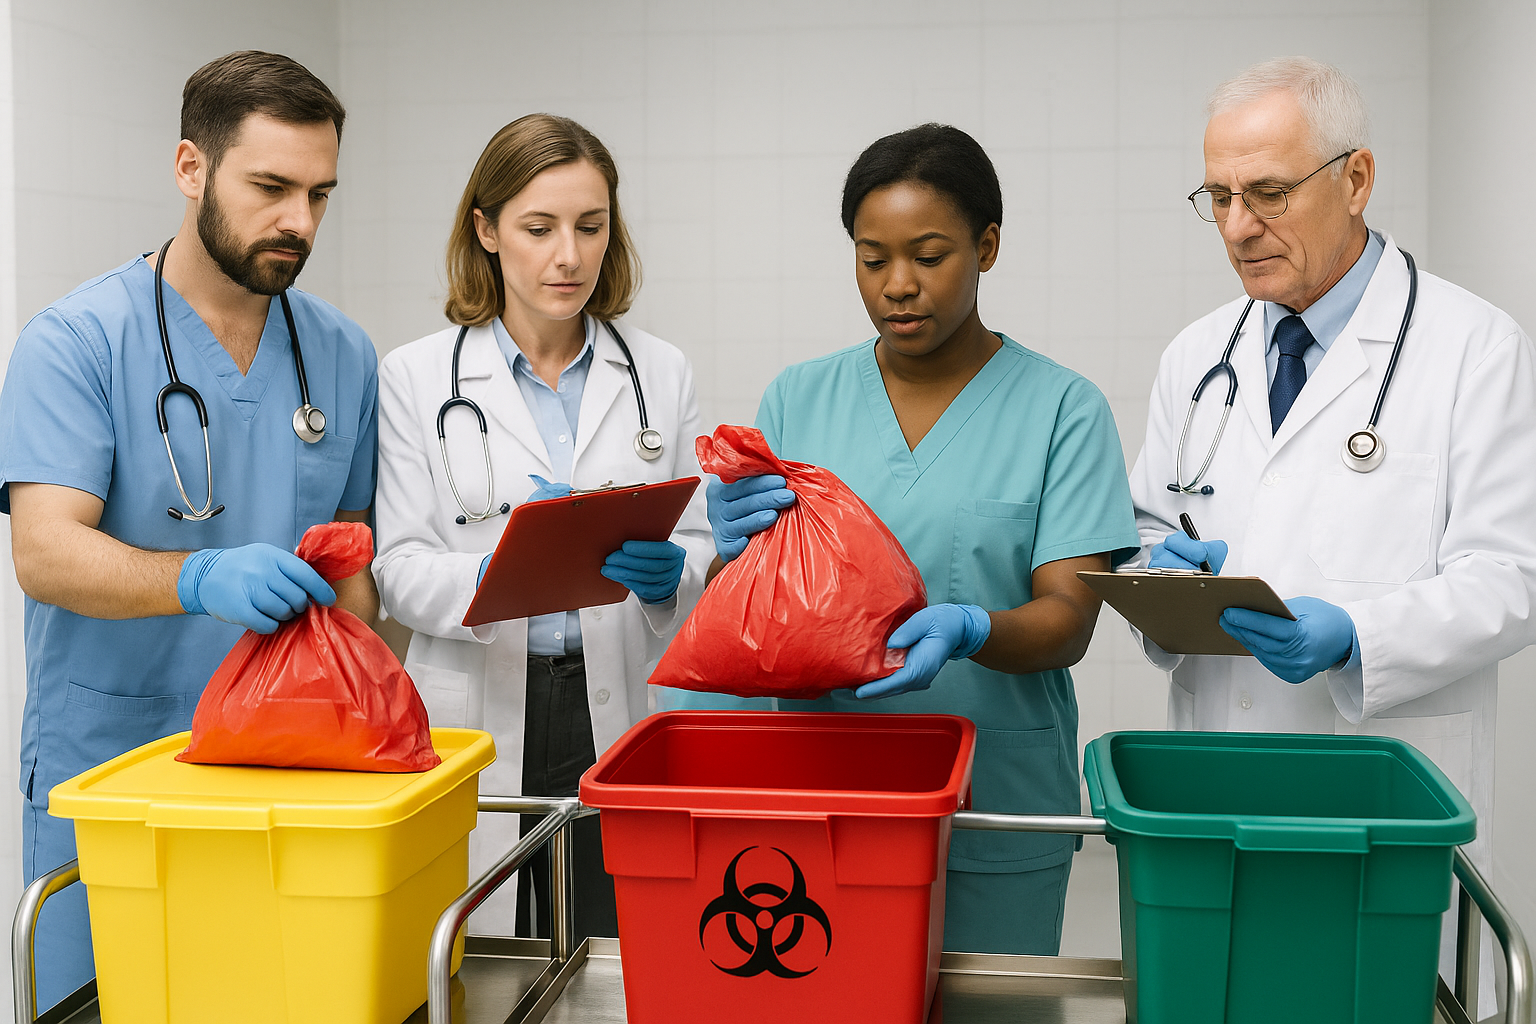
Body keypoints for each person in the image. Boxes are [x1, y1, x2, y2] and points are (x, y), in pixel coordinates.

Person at [1127, 57, 1536, 1010]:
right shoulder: (1198, 355)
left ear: (1355, 180)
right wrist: (1159, 572)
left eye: (1268, 192)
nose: (1237, 227)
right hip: (1219, 782)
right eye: (1219, 196)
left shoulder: (1474, 347)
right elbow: (1154, 521)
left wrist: (1358, 634)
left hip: (1384, 797)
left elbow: (1514, 575)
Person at [696, 124, 1139, 954]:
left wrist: (974, 628)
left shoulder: (1063, 409)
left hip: (995, 801)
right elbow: (759, 606)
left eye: (929, 255)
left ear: (988, 246)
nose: (899, 285)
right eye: (873, 259)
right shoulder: (799, 397)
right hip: (821, 806)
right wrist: (727, 551)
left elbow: (1070, 621)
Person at [0, 52, 378, 1010]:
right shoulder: (76, 341)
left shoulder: (340, 353)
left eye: (320, 194)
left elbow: (354, 556)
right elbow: (43, 551)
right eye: (272, 187)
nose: (300, 221)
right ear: (191, 167)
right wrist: (199, 577)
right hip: (115, 778)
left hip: (287, 782)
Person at [372, 113, 712, 941]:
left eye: (590, 227)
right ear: (486, 230)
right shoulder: (416, 376)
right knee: (480, 948)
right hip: (479, 697)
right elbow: (399, 564)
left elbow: (698, 540)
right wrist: (507, 576)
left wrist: (677, 574)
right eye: (539, 227)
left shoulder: (659, 371)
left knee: (614, 941)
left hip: (616, 694)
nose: (570, 255)